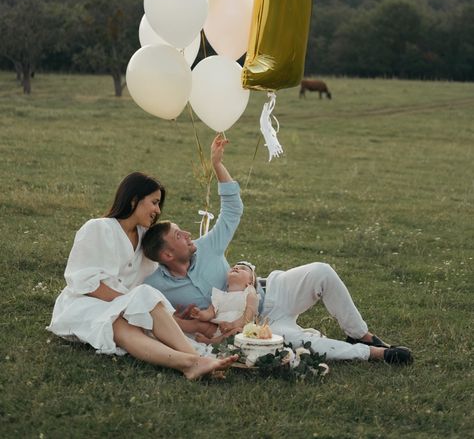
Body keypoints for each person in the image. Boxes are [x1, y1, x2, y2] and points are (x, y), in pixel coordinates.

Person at [142, 135, 413, 365]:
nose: (188, 234)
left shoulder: (206, 247)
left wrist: (217, 165)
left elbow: (233, 210)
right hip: (253, 328)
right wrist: (193, 325)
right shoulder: (156, 285)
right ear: (167, 255)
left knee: (322, 271)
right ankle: (373, 353)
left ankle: (360, 334)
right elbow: (153, 316)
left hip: (270, 292)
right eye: (179, 235)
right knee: (297, 341)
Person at [47, 171, 237, 380]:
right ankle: (195, 360)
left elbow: (175, 258)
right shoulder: (97, 228)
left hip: (125, 308)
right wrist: (129, 303)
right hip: (85, 304)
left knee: (127, 323)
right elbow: (85, 283)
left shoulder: (147, 239)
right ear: (134, 199)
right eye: (154, 202)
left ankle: (193, 362)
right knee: (133, 308)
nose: (157, 210)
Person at [190, 261, 259, 344]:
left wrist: (232, 325)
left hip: (239, 328)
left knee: (238, 332)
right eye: (234, 267)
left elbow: (249, 317)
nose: (236, 268)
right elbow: (210, 312)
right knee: (199, 325)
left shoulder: (250, 294)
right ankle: (177, 325)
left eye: (243, 269)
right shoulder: (220, 296)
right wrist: (200, 314)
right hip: (219, 329)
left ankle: (211, 342)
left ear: (250, 282)